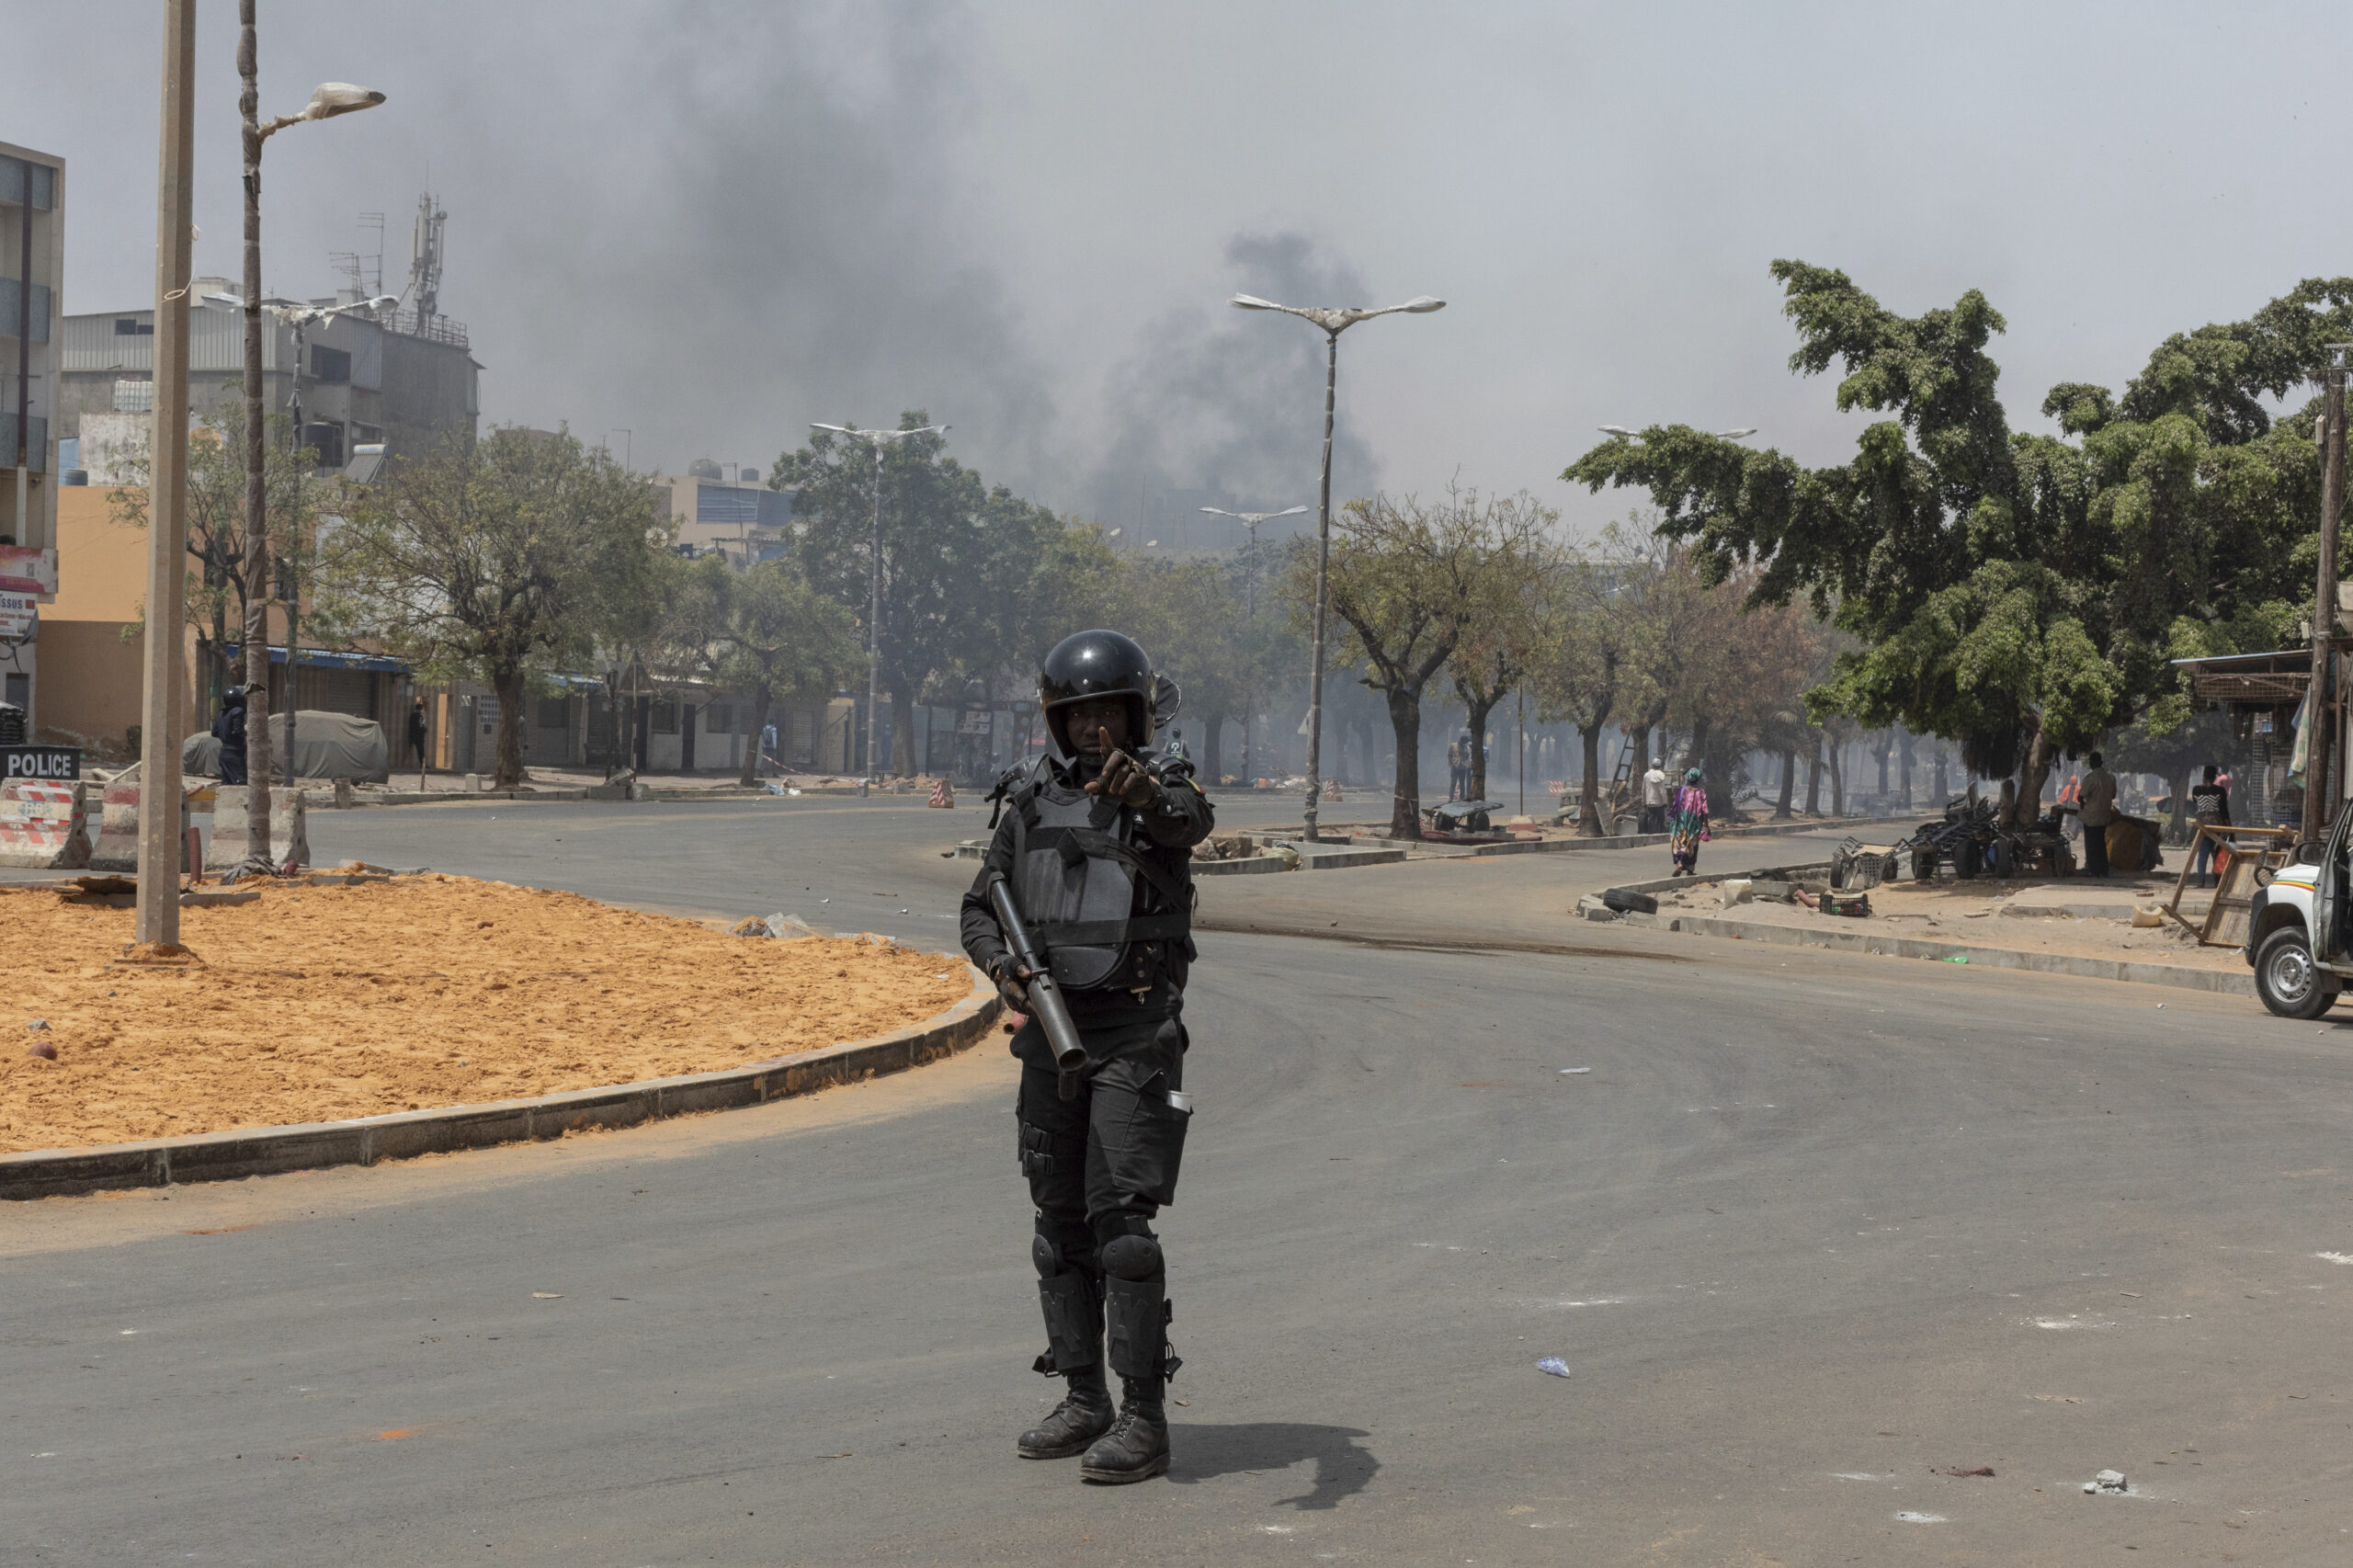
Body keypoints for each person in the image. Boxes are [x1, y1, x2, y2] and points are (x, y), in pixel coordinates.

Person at [961, 629, 1212, 1485]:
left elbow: (1190, 825)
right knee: (1055, 1226)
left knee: (1123, 1232)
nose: (1095, 729)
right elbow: (978, 909)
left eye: (1110, 713)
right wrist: (1007, 972)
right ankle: (1082, 1398)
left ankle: (1145, 1417)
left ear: (1136, 716)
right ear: (1057, 724)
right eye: (1080, 716)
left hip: (1133, 1032)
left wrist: (1141, 791)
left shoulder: (1164, 793)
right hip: (1048, 1031)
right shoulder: (1028, 801)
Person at [2189, 764, 2232, 887]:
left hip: (2201, 825)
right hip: (2217, 825)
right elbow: (2224, 811)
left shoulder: (2196, 790)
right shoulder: (2220, 791)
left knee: (2202, 853)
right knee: (2217, 853)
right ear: (2214, 778)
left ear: (2203, 777)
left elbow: (2195, 803)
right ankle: (2217, 881)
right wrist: (2229, 828)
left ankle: (2200, 880)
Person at [2078, 749, 2118, 877]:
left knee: (2091, 844)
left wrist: (2083, 805)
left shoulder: (2090, 778)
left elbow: (2081, 796)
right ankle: (2103, 869)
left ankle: (2093, 869)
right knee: (2101, 842)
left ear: (2091, 763)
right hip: (2105, 814)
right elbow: (2113, 795)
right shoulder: (2110, 778)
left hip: (2091, 816)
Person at [1668, 767, 1709, 876]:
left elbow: (1675, 805)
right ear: (1698, 779)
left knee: (1680, 843)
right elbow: (1705, 811)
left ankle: (1680, 864)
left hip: (1680, 820)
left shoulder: (1681, 790)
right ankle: (1690, 869)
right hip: (1695, 822)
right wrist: (1707, 826)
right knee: (1692, 844)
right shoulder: (1701, 792)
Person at [1640, 757, 1671, 835]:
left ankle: (1651, 834)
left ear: (1652, 765)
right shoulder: (1661, 775)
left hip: (1649, 802)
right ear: (1660, 766)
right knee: (1661, 819)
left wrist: (1644, 802)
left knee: (1651, 819)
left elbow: (1643, 790)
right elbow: (1662, 791)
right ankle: (1660, 834)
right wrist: (1665, 802)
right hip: (1659, 803)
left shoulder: (1646, 775)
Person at [406, 699, 428, 770]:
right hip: (418, 736)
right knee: (421, 750)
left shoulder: (417, 716)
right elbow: (418, 726)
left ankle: (422, 764)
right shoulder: (417, 716)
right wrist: (424, 730)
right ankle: (422, 764)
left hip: (417, 736)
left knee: (421, 750)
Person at [1443, 736, 1462, 801]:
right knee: (1453, 783)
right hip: (1454, 768)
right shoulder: (1453, 746)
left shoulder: (1466, 747)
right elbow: (1449, 756)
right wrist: (1453, 764)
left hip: (1462, 768)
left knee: (1462, 784)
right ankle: (1451, 798)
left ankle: (1461, 798)